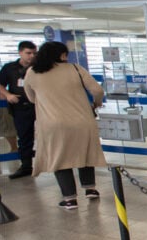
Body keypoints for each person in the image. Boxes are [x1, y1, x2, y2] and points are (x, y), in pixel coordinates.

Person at [22, 41, 106, 210]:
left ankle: (69, 199)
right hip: (82, 120)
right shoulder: (75, 69)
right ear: (60, 55)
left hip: (52, 123)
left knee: (59, 158)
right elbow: (97, 90)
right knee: (85, 153)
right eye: (65, 54)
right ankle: (90, 188)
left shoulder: (32, 72)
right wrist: (96, 104)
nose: (66, 58)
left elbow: (31, 97)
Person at [0, 41, 37, 179]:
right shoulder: (10, 68)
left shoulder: (39, 67)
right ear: (20, 52)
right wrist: (8, 95)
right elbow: (0, 84)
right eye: (28, 53)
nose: (31, 56)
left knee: (49, 134)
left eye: (34, 53)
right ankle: (26, 166)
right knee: (25, 137)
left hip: (40, 105)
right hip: (21, 106)